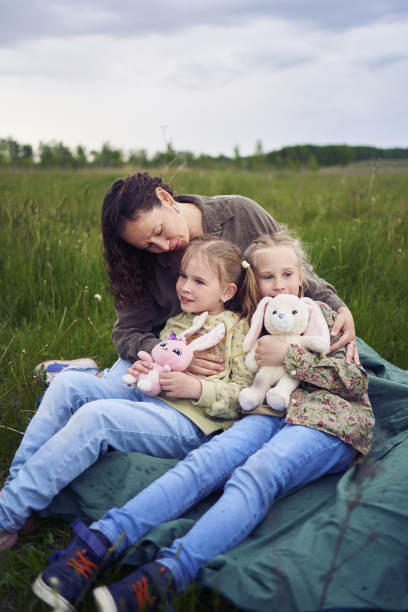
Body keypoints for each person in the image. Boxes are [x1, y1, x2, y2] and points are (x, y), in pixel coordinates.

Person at [32, 229, 374, 612]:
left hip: (325, 420)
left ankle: (165, 574)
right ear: (252, 282)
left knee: (256, 475)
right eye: (268, 277)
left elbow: (355, 380)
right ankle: (97, 544)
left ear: (302, 277)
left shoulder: (321, 315)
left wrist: (290, 355)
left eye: (289, 274)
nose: (280, 285)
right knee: (203, 465)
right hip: (265, 412)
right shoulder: (249, 323)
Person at [0, 237, 253, 550]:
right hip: (150, 401)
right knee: (67, 384)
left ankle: (6, 515)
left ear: (227, 292)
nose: (185, 287)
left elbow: (244, 395)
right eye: (183, 276)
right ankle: (17, 494)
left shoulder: (239, 329)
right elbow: (158, 365)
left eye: (199, 281)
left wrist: (198, 388)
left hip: (188, 422)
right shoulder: (179, 321)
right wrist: (143, 371)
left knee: (97, 418)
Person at [101, 171, 359, 376]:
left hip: (259, 351)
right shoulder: (138, 260)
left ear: (166, 198)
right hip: (174, 364)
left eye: (159, 232)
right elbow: (127, 332)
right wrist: (166, 352)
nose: (163, 247)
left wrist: (339, 308)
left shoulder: (240, 214)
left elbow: (293, 272)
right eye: (149, 245)